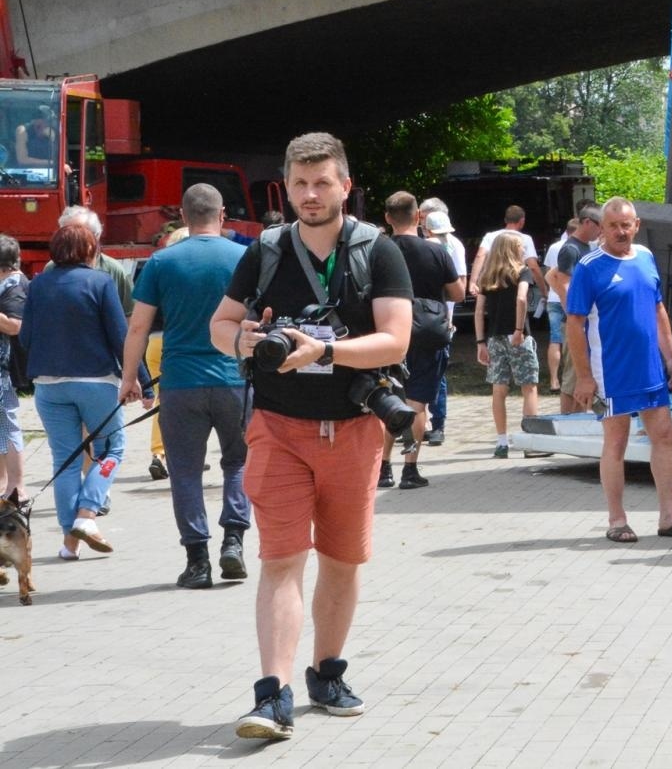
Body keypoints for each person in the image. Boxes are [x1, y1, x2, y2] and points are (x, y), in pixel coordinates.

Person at [210, 132, 412, 741]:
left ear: (345, 186)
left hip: (354, 430)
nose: (310, 194)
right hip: (278, 428)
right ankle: (272, 695)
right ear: (287, 186)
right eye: (300, 183)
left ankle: (327, 671)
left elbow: (396, 339)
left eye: (322, 182)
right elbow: (220, 325)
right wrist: (241, 340)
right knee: (280, 559)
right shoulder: (266, 250)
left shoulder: (378, 251)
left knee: (344, 562)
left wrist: (325, 349)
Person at [119, 183, 250, 590]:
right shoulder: (246, 257)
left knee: (186, 472)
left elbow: (138, 325)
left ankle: (197, 562)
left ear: (182, 214)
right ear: (223, 214)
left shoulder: (161, 262)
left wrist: (130, 379)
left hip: (180, 382)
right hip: (235, 379)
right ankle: (234, 540)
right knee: (238, 462)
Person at [565, 197, 672, 543]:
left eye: (626, 225)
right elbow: (574, 324)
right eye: (613, 226)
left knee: (665, 435)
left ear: (636, 225)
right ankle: (617, 519)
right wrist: (583, 376)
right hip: (611, 371)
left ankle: (669, 517)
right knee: (616, 441)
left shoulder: (646, 257)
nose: (621, 232)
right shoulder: (589, 267)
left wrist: (671, 355)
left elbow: (657, 309)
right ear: (602, 228)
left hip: (650, 369)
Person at [21, 223, 143, 558]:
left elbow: (26, 337)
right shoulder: (101, 282)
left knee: (65, 461)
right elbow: (122, 336)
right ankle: (89, 514)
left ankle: (69, 544)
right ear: (89, 251)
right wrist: (139, 379)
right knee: (112, 450)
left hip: (47, 386)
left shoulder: (38, 285)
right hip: (95, 384)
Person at [378, 192, 463, 488]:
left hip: (388, 332)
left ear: (388, 218)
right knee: (416, 404)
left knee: (388, 398)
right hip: (427, 333)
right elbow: (458, 294)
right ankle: (410, 470)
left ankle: (383, 468)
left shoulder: (379, 250)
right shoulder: (437, 251)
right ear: (418, 217)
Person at [474, 233, 542, 458]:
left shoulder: (487, 276)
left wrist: (480, 342)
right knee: (529, 386)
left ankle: (502, 442)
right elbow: (522, 299)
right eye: (521, 248)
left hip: (494, 338)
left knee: (499, 389)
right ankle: (531, 443)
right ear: (513, 249)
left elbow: (478, 311)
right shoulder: (522, 272)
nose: (523, 251)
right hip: (517, 337)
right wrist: (519, 329)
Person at [418, 197, 467, 446]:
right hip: (439, 316)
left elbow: (459, 285)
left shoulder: (433, 247)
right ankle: (430, 423)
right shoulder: (453, 244)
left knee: (435, 372)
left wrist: (448, 314)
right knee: (435, 371)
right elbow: (460, 285)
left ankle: (436, 424)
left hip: (435, 318)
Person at [548, 207, 603, 414]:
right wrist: (574, 314)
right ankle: (567, 420)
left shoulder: (586, 247)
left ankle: (580, 417)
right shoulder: (571, 248)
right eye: (599, 225)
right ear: (588, 222)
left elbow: (551, 276)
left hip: (584, 321)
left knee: (581, 371)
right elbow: (560, 281)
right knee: (573, 374)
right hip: (576, 322)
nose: (600, 231)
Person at [467, 205, 548, 308]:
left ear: (505, 220)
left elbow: (480, 256)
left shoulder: (490, 236)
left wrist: (473, 282)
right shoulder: (525, 238)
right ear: (522, 221)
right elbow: (533, 267)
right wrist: (544, 291)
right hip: (516, 282)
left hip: (492, 283)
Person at [0, 235, 28, 504]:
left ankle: (17, 488)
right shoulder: (7, 283)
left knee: (8, 426)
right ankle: (5, 485)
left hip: (6, 370)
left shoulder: (15, 286)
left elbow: (14, 325)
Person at [543, 218, 576, 392]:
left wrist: (546, 291)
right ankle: (570, 378)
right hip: (568, 299)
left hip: (553, 298)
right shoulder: (578, 247)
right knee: (572, 340)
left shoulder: (555, 247)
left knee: (555, 339)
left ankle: (554, 380)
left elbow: (547, 271)